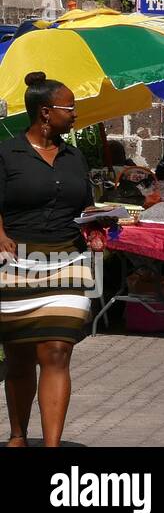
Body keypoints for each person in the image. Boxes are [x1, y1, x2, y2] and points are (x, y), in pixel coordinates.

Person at [0, 72, 96, 447]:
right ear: (45, 112)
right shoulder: (7, 154)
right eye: (69, 108)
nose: (74, 114)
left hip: (69, 260)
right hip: (15, 263)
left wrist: (97, 224)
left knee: (57, 351)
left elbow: (83, 203)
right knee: (21, 356)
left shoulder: (75, 157)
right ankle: (19, 436)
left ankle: (52, 446)